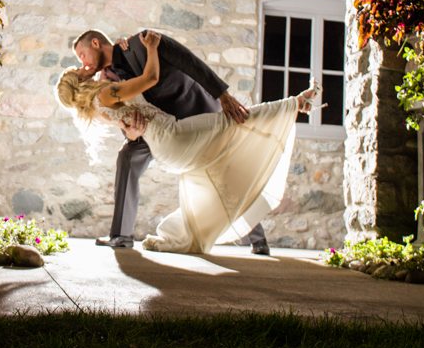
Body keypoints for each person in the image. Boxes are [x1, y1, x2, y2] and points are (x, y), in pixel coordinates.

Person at [58, 29, 318, 255]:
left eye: (81, 55)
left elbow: (189, 61)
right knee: (128, 155)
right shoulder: (104, 81)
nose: (82, 63)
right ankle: (121, 235)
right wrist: (132, 132)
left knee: (225, 173)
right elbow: (121, 112)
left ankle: (255, 237)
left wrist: (222, 94)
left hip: (191, 110)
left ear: (95, 44)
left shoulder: (139, 42)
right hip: (157, 128)